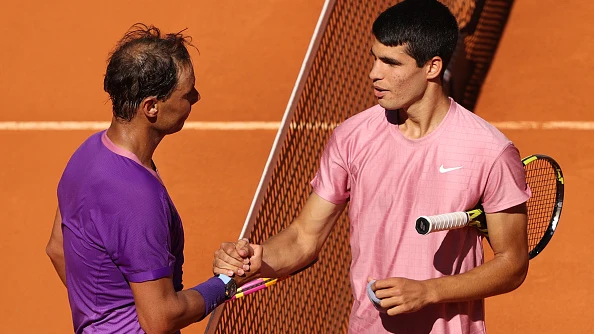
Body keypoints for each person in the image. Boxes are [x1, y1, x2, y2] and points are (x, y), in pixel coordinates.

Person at [212, 1, 531, 333]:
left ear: (432, 67)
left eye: (391, 62)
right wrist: (260, 259)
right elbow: (305, 237)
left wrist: (428, 291)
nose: (374, 73)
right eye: (374, 57)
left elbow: (512, 263)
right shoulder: (351, 137)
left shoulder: (489, 151)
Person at [45, 24, 246, 333]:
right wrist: (226, 283)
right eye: (187, 94)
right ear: (151, 107)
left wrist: (105, 316)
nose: (197, 97)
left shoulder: (85, 156)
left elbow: (58, 249)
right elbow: (160, 317)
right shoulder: (137, 197)